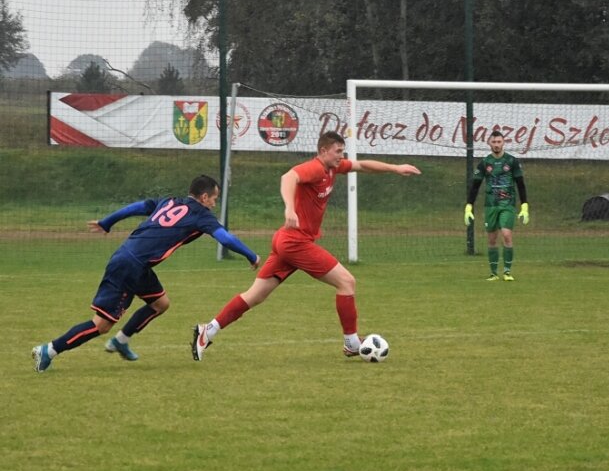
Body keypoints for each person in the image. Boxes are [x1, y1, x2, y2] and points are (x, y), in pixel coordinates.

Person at [191, 131, 421, 361]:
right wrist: (289, 208)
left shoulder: (333, 168)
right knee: (347, 282)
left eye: (343, 151)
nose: (342, 156)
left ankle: (207, 330)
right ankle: (352, 343)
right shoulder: (316, 168)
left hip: (287, 241)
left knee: (255, 295)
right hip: (295, 242)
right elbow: (288, 178)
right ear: (323, 151)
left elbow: (362, 165)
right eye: (338, 151)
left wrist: (395, 168)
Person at [31, 175, 260, 373]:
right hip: (129, 267)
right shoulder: (202, 214)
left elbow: (137, 207)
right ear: (203, 198)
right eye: (214, 199)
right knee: (101, 325)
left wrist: (107, 222)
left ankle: (122, 341)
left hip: (134, 261)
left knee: (161, 304)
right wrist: (252, 256)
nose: (213, 203)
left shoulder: (169, 201)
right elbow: (225, 238)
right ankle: (49, 350)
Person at [464, 130, 529, 281]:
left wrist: (524, 205)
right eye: (494, 142)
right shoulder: (485, 163)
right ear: (489, 143)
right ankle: (493, 273)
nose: (496, 145)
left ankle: (507, 272)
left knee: (506, 234)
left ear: (503, 142)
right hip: (490, 206)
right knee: (492, 239)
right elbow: (475, 186)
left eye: (499, 142)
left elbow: (520, 184)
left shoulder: (512, 161)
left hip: (507, 205)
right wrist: (469, 206)